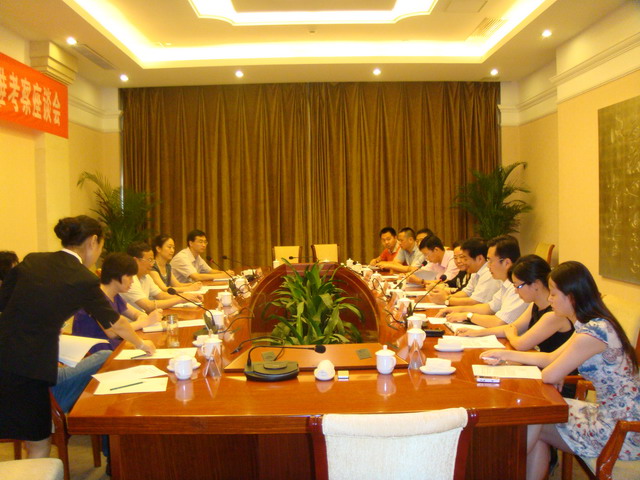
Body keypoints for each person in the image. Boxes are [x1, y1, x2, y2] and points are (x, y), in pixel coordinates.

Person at [0, 216, 155, 458]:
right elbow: (116, 323)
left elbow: (4, 302)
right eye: (101, 245)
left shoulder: (33, 260)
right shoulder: (83, 278)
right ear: (93, 241)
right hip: (31, 367)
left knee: (29, 435)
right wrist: (143, 344)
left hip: (7, 355)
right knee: (39, 441)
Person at [481, 261, 640, 479]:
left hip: (623, 430)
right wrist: (505, 355)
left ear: (571, 297)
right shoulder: (591, 324)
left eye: (554, 294)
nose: (549, 299)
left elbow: (549, 374)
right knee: (537, 419)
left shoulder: (592, 333)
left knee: (532, 419)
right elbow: (550, 358)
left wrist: (558, 373)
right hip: (611, 414)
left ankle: (502, 470)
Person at [456, 255, 574, 353]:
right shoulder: (535, 305)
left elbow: (521, 343)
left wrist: (511, 334)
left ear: (536, 284)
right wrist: (477, 333)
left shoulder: (554, 314)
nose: (516, 291)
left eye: (518, 286)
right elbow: (513, 327)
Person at [73, 252, 162, 351]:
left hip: (114, 348)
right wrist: (145, 322)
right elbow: (113, 332)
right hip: (97, 353)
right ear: (116, 276)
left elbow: (135, 313)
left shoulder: (114, 296)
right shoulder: (96, 297)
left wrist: (142, 318)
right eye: (130, 277)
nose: (132, 281)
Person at [436, 235, 528, 327]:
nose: (488, 266)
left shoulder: (520, 287)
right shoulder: (506, 283)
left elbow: (500, 322)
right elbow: (489, 307)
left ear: (506, 263)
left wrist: (467, 315)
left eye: (490, 261)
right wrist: (457, 310)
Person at [120, 242, 203, 313]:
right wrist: (181, 299)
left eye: (153, 260)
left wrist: (187, 296)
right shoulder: (129, 280)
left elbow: (161, 295)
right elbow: (148, 306)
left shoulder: (146, 277)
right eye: (149, 260)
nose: (152, 264)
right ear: (135, 260)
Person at [429, 237, 500, 306]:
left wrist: (446, 300)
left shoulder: (489, 273)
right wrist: (445, 297)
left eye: (465, 259)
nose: (463, 262)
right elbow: (466, 292)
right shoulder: (475, 272)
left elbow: (476, 301)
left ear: (479, 259)